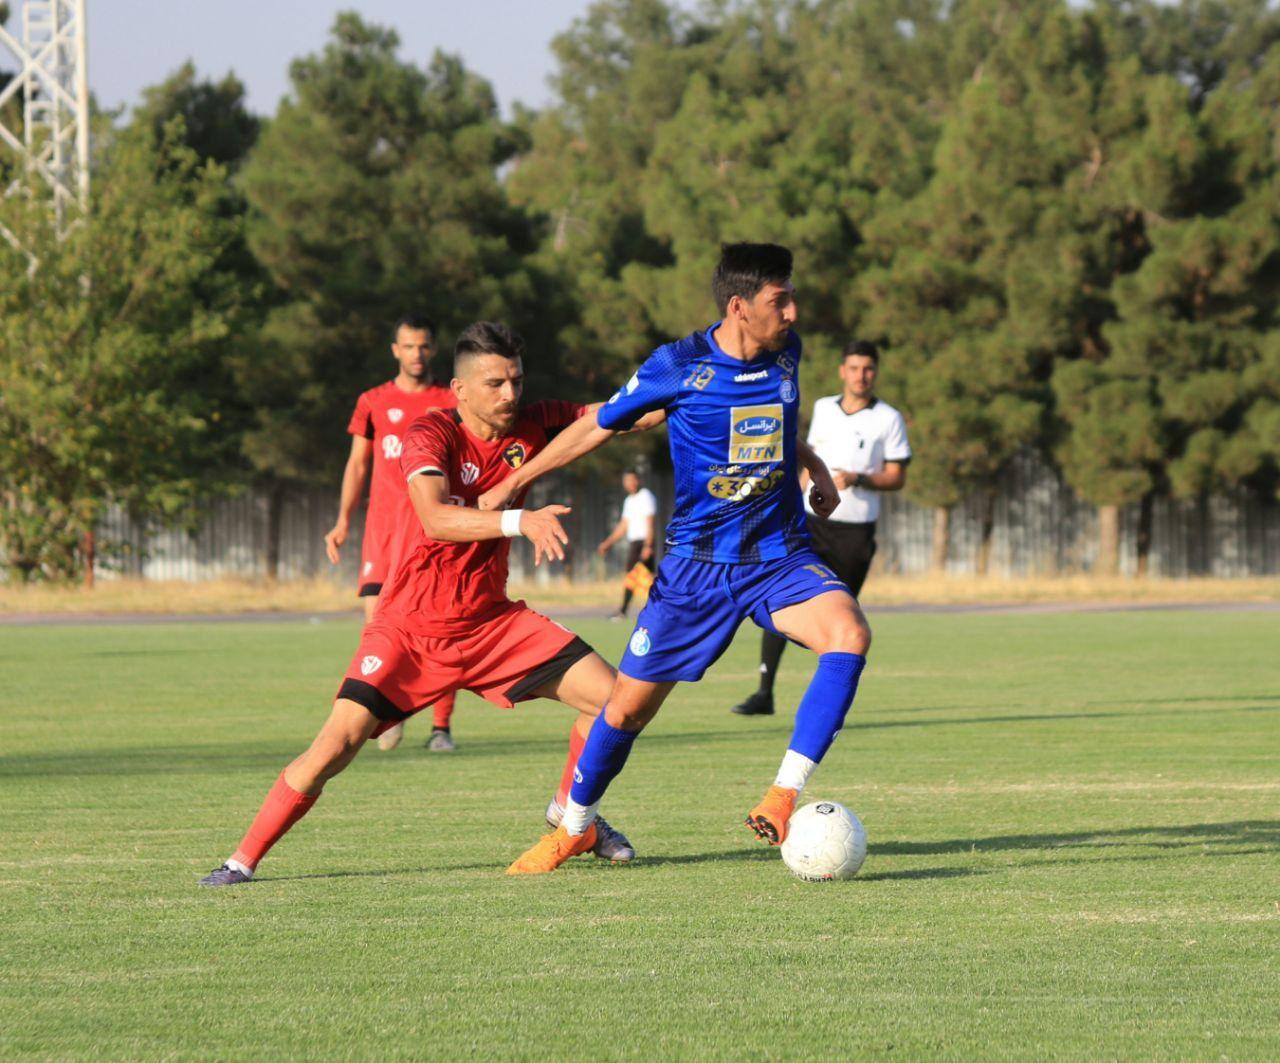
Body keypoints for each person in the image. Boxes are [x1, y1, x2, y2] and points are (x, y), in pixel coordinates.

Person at [198, 322, 640, 887]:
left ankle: (568, 815)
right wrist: (518, 519)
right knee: (335, 746)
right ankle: (241, 861)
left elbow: (627, 412)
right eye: (495, 383)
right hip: (409, 629)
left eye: (517, 382)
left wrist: (689, 384)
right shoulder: (430, 433)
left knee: (616, 702)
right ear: (459, 389)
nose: (510, 395)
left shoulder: (539, 420)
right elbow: (435, 518)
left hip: (491, 624)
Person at [482, 243, 874, 875]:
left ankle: (783, 794)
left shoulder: (787, 353)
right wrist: (511, 486)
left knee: (850, 634)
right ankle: (574, 826)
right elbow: (598, 425)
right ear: (740, 307)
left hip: (777, 555)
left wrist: (815, 468)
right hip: (697, 569)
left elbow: (780, 420)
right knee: (628, 709)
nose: (795, 312)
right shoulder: (678, 365)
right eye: (781, 301)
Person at [732, 339, 910, 716]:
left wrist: (860, 479)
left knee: (840, 617)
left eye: (868, 369)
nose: (861, 375)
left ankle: (827, 699)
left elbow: (896, 476)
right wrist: (788, 506)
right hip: (809, 525)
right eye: (854, 368)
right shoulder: (824, 409)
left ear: (875, 373)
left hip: (854, 532)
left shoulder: (888, 418)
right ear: (842, 371)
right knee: (781, 597)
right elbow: (806, 462)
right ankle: (764, 692)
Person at [322, 314, 458, 752]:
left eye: (424, 346)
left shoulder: (449, 399)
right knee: (378, 628)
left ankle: (441, 728)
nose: (417, 354)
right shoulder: (373, 401)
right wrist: (343, 519)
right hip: (382, 532)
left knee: (441, 627)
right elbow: (357, 464)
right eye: (408, 346)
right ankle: (388, 710)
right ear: (395, 350)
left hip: (431, 530)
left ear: (432, 350)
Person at [596, 470, 657, 620]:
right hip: (634, 543)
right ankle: (625, 611)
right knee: (636, 578)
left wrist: (648, 546)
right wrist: (608, 543)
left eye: (632, 479)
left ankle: (651, 610)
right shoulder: (629, 500)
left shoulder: (645, 496)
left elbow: (650, 522)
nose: (629, 483)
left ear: (638, 480)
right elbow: (623, 525)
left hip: (644, 543)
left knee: (645, 579)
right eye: (626, 480)